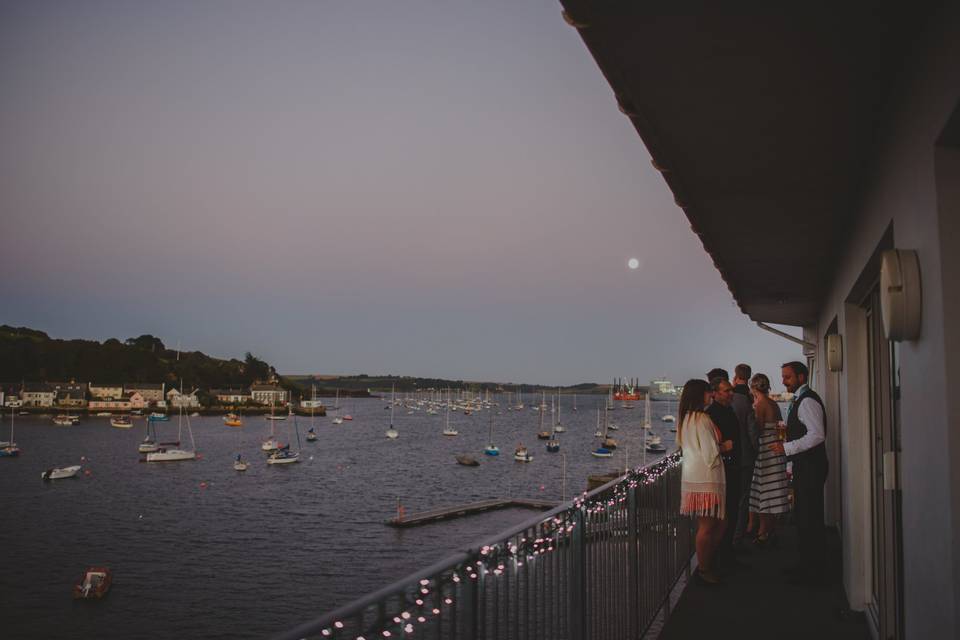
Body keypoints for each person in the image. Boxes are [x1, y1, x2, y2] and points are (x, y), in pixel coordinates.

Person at [768, 361, 828, 584]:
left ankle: (814, 572)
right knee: (804, 518)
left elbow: (817, 435)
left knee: (809, 519)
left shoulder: (808, 401)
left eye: (788, 377)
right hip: (805, 466)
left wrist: (786, 448)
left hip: (811, 468)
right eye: (783, 377)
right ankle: (808, 566)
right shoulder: (801, 400)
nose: (783, 381)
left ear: (802, 377)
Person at [678, 378, 730, 585]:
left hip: (693, 478)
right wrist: (726, 446)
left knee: (711, 525)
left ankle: (706, 563)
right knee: (710, 526)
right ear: (700, 395)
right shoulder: (702, 419)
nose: (712, 395)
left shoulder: (686, 418)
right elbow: (711, 453)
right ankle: (705, 568)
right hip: (708, 480)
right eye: (709, 392)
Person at [705, 374, 742, 570]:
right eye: (727, 391)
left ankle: (727, 556)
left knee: (732, 514)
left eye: (731, 390)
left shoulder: (728, 410)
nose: (731, 393)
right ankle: (720, 560)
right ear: (715, 394)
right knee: (724, 517)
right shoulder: (711, 414)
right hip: (723, 471)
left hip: (734, 467)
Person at [748, 373, 789, 545]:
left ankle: (763, 532)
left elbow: (756, 430)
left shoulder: (760, 405)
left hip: (766, 451)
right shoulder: (774, 403)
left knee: (765, 492)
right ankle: (769, 530)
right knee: (772, 491)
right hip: (777, 449)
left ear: (753, 388)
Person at [730, 363, 758, 546]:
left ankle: (728, 537)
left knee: (730, 498)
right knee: (742, 499)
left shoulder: (729, 398)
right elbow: (752, 432)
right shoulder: (748, 400)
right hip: (746, 456)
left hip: (728, 455)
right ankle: (737, 537)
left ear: (735, 376)